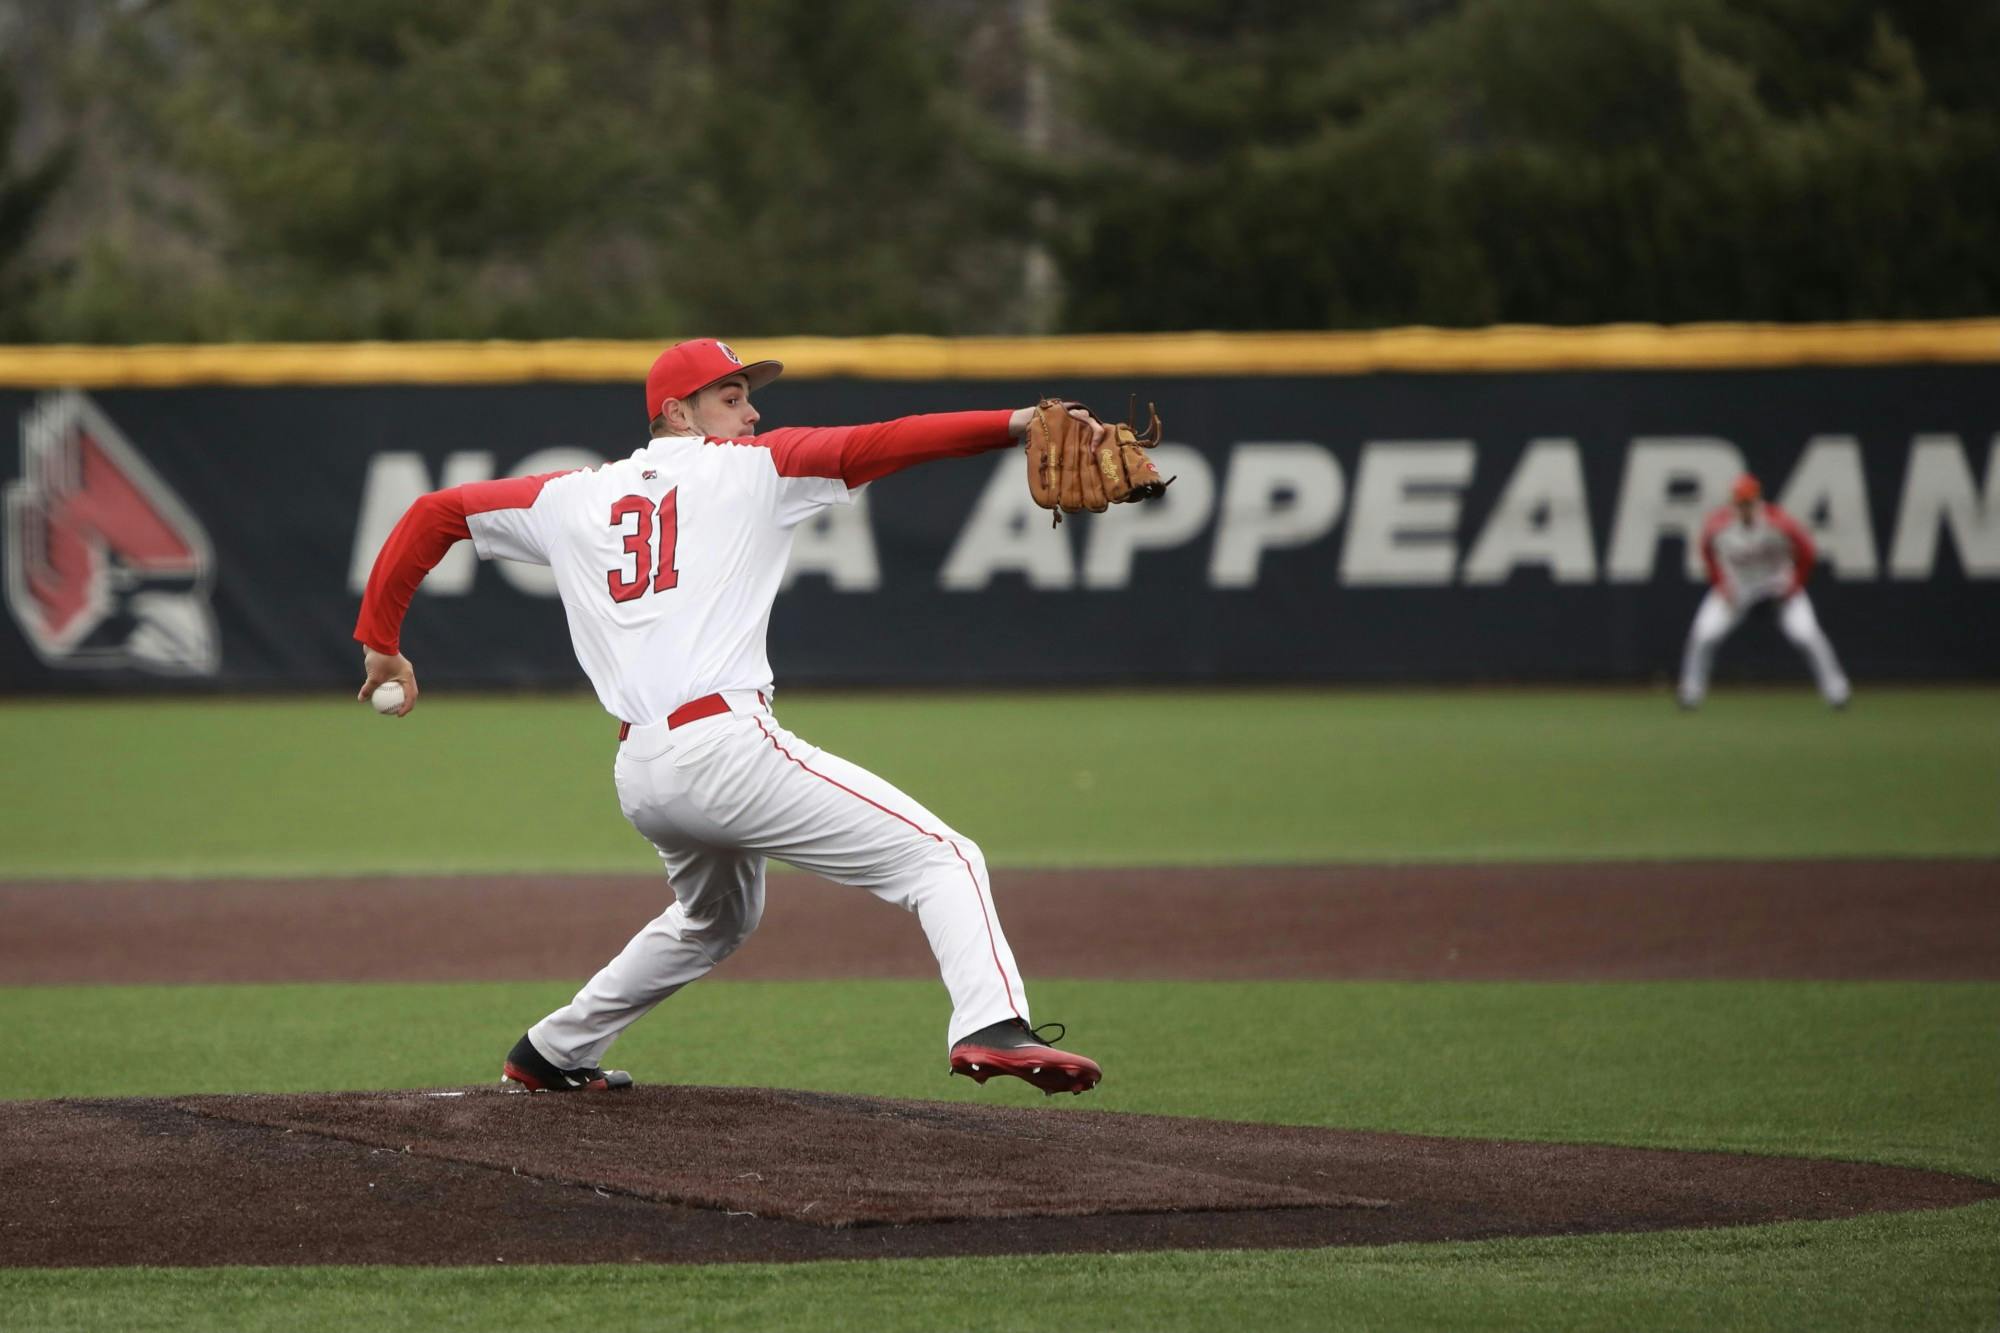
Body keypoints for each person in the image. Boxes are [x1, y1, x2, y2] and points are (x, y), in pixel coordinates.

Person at [352, 338, 1102, 1096]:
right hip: (724, 750)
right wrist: (1011, 423)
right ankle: (991, 1023)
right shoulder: (753, 469)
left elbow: (432, 513)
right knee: (943, 858)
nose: (752, 412)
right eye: (732, 396)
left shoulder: (570, 496)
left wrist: (381, 645)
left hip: (642, 771)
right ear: (678, 411)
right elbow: (886, 441)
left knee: (715, 920)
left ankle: (552, 1049)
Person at [1677, 473, 1850, 710]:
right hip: (1738, 590)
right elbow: (1706, 551)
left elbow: (1808, 551)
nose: (1745, 506)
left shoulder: (1778, 521)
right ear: (1733, 502)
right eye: (1740, 501)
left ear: (1757, 499)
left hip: (1778, 589)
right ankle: (1690, 693)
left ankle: (1837, 692)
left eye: (1749, 501)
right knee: (1704, 635)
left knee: (1808, 636)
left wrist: (1794, 585)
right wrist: (1720, 584)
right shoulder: (1718, 524)